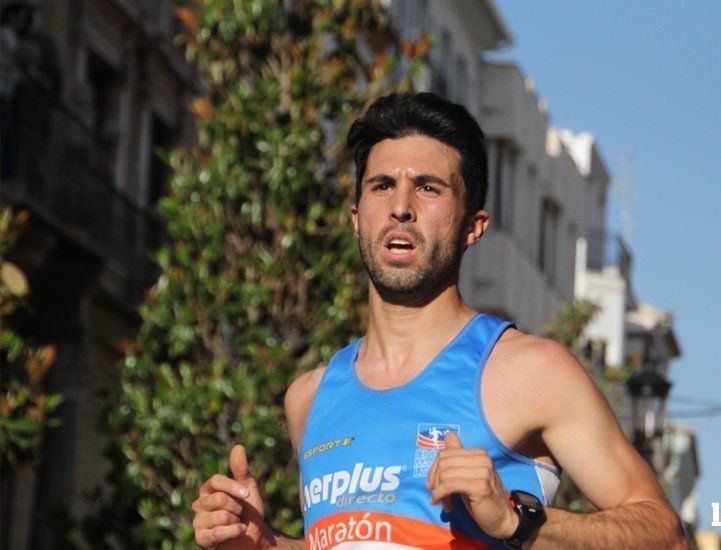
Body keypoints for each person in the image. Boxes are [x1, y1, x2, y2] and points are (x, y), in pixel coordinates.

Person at [191, 92, 688, 549]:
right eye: (382, 186)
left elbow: (665, 534)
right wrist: (265, 545)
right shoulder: (309, 398)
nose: (401, 208)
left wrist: (517, 518)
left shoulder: (531, 372)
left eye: (428, 188)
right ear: (357, 217)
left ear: (474, 226)